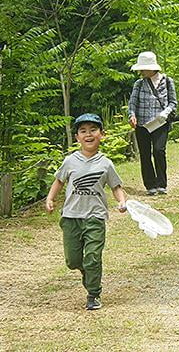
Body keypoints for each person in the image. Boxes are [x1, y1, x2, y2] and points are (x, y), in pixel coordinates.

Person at [46, 113, 127, 310]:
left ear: (101, 134)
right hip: (71, 217)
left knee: (92, 257)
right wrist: (50, 198)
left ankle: (93, 293)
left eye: (93, 130)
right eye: (83, 131)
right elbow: (59, 180)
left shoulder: (106, 163)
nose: (88, 134)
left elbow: (116, 187)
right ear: (77, 137)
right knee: (73, 261)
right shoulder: (70, 161)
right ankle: (86, 271)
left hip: (95, 217)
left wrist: (122, 201)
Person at [128, 51, 178, 195]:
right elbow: (132, 103)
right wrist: (132, 115)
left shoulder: (167, 81)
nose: (141, 71)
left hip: (160, 123)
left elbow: (173, 103)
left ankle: (162, 183)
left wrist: (165, 113)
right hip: (142, 124)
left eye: (143, 68)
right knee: (145, 154)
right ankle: (150, 185)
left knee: (158, 150)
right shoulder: (138, 84)